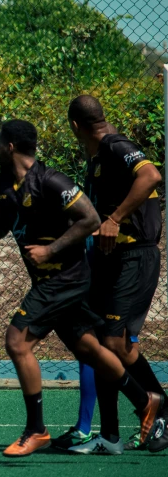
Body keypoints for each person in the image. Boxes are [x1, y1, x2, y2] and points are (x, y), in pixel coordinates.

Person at [0, 119, 162, 456]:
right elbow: (0, 228)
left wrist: (50, 249)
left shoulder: (53, 181)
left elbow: (90, 220)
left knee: (17, 341)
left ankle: (36, 429)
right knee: (90, 349)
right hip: (47, 281)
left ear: (10, 146)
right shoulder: (2, 185)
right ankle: (146, 401)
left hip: (67, 278)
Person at [64, 95, 168, 454]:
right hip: (112, 259)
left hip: (134, 257)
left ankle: (159, 407)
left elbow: (151, 175)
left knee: (113, 345)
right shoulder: (98, 157)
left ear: (75, 126)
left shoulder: (113, 145)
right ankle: (109, 436)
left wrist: (115, 218)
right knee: (102, 343)